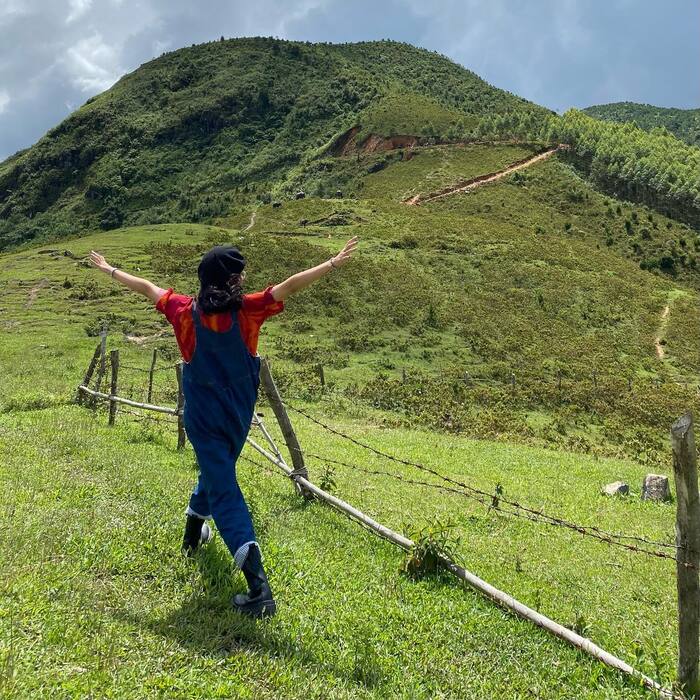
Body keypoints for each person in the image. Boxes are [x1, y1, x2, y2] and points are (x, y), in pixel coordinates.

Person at [89, 235, 358, 618]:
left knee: (218, 478)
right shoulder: (249, 311)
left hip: (203, 419)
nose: (244, 279)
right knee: (224, 488)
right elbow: (291, 285)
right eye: (240, 274)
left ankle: (209, 550)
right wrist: (331, 264)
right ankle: (257, 588)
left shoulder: (183, 310)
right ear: (230, 280)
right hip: (236, 419)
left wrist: (111, 270)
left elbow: (147, 288)